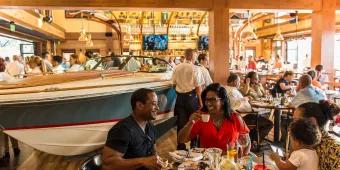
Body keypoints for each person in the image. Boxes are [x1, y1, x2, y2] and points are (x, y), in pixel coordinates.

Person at [178, 83, 250, 153]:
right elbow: (181, 140)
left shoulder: (235, 117)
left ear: (222, 101)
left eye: (213, 99)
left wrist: (243, 157)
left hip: (229, 160)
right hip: (208, 161)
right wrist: (190, 123)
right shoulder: (200, 117)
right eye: (206, 100)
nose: (208, 103)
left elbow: (246, 141)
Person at [102, 88, 160, 170]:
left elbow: (154, 152)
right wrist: (143, 161)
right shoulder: (122, 130)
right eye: (154, 104)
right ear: (139, 105)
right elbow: (108, 165)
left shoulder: (150, 126)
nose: (157, 108)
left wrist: (158, 161)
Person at [225, 73, 273, 143]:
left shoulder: (230, 90)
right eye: (239, 81)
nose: (240, 82)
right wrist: (246, 99)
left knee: (264, 115)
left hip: (245, 114)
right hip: (244, 116)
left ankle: (251, 139)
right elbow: (234, 106)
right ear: (235, 82)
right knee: (269, 123)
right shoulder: (231, 91)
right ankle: (254, 141)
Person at [172, 49, 204, 150]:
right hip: (191, 98)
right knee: (194, 121)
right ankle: (194, 145)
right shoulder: (195, 68)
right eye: (195, 56)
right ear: (193, 56)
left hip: (180, 98)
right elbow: (198, 87)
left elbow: (174, 84)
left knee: (181, 123)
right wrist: (201, 101)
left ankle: (180, 146)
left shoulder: (177, 67)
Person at [293, 101, 340, 170]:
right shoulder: (305, 141)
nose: (293, 124)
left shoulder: (332, 149)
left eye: (296, 120)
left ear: (312, 121)